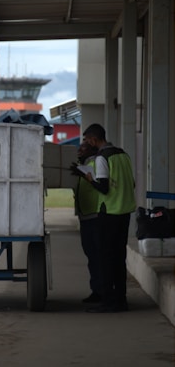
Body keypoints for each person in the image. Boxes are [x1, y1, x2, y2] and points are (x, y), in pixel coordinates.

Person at [82, 123, 136, 313]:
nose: (87, 143)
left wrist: (90, 179)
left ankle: (108, 301)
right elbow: (132, 183)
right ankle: (121, 300)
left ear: (94, 139)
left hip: (109, 213)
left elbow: (103, 187)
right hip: (125, 213)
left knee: (105, 258)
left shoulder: (101, 158)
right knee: (119, 258)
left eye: (87, 140)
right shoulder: (124, 155)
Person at [72, 142, 101, 304]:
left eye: (82, 149)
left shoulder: (94, 164)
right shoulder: (83, 166)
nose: (79, 151)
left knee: (96, 256)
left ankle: (101, 291)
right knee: (91, 255)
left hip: (94, 216)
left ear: (91, 149)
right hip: (86, 217)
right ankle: (96, 290)